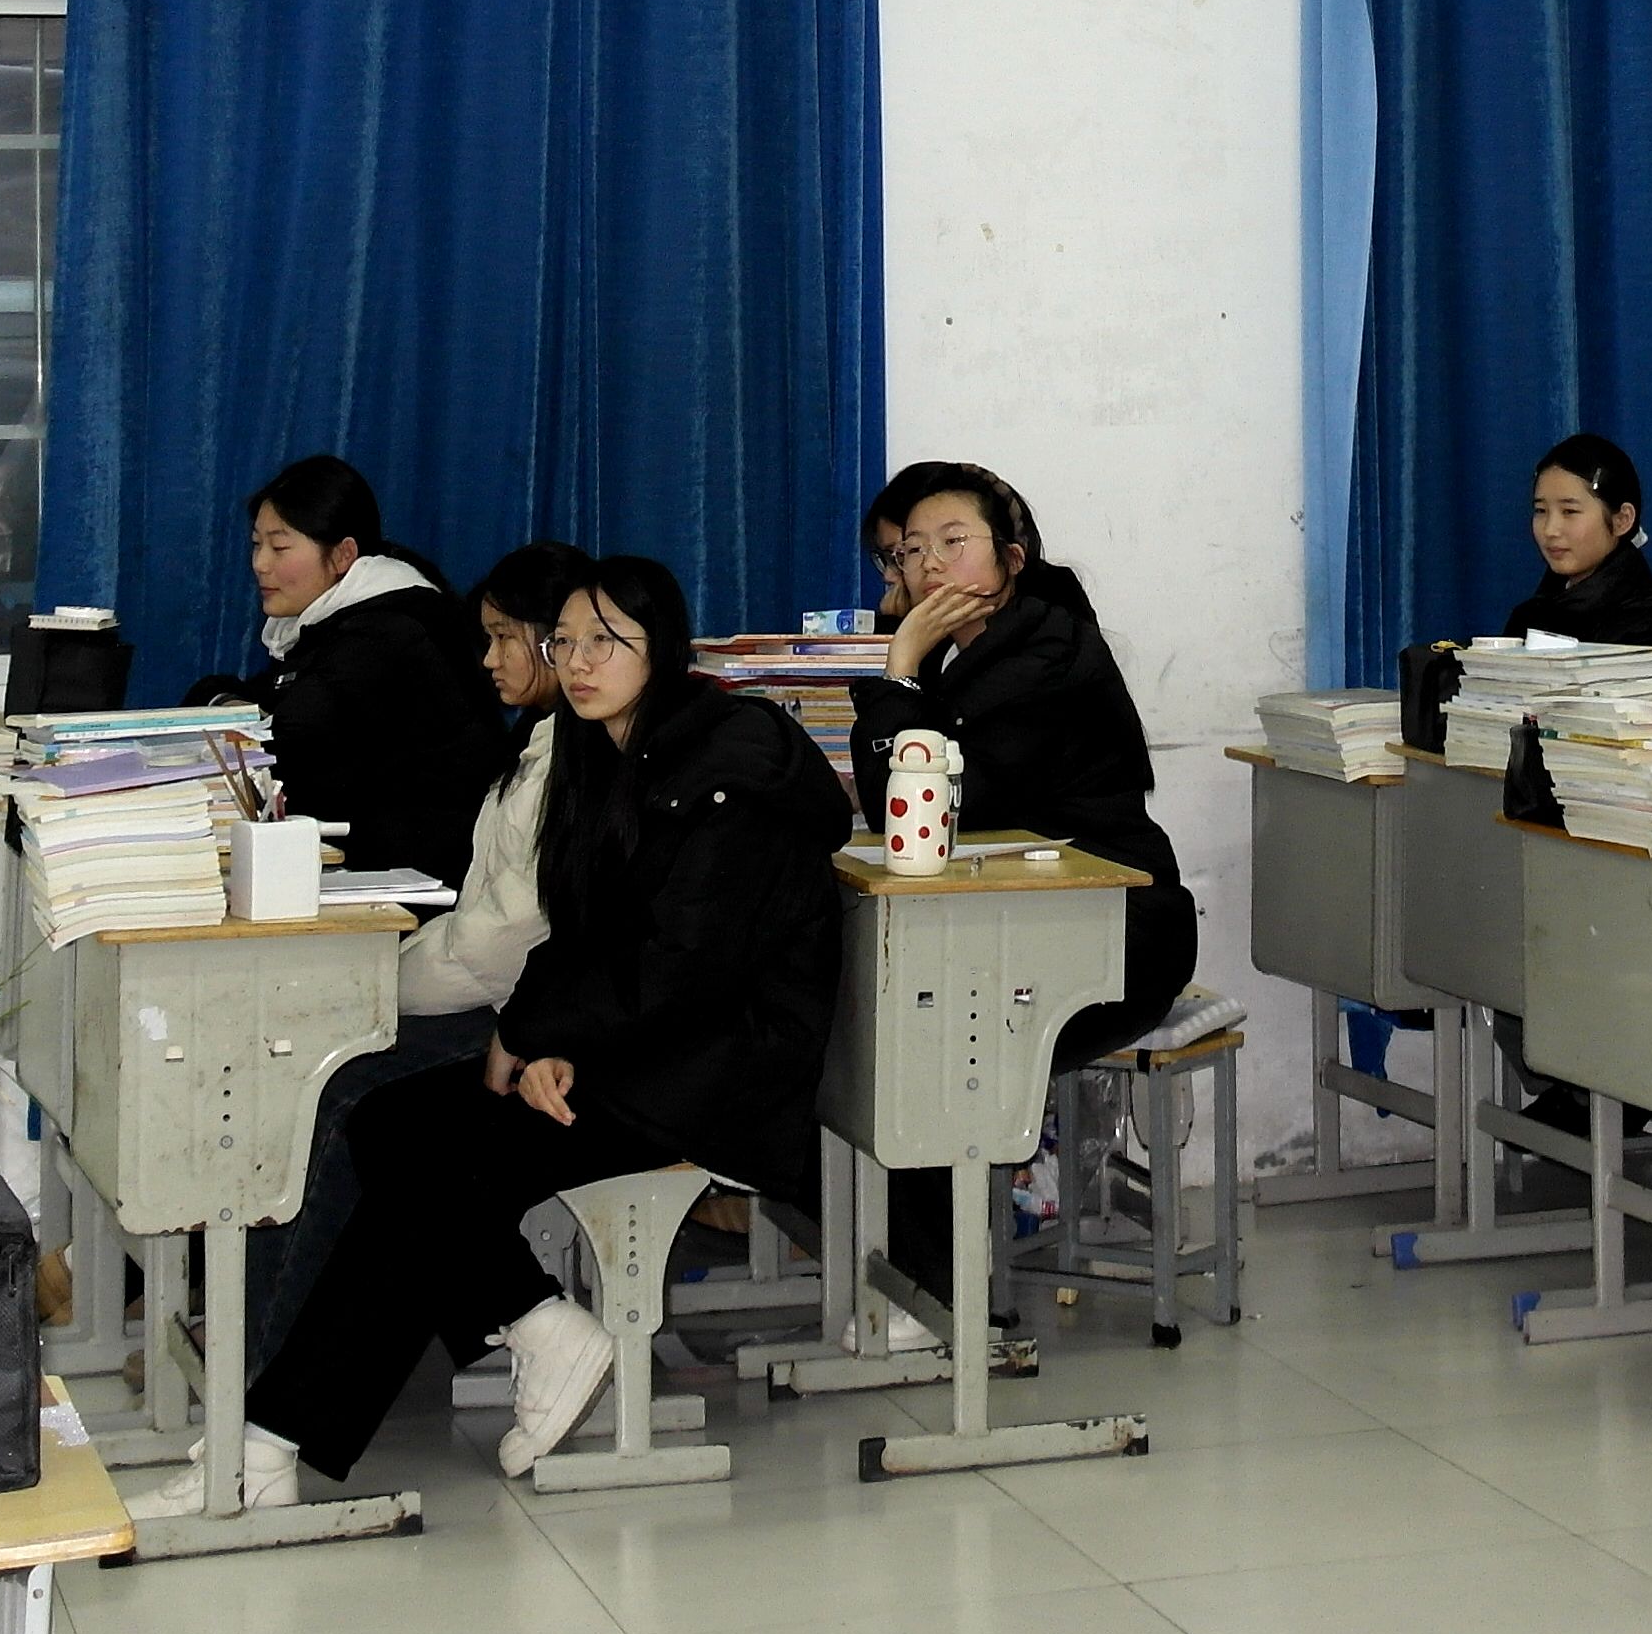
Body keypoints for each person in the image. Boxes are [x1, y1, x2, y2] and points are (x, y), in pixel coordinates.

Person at [242, 555, 847, 1491]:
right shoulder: (601, 752)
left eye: (606, 641)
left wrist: (542, 1039)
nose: (579, 662)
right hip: (635, 1051)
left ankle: (275, 1441)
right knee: (391, 1124)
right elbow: (577, 931)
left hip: (718, 1073)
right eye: (565, 642)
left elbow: (681, 967)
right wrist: (538, 1038)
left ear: (662, 649)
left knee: (432, 1162)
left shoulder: (727, 766)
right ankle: (530, 1325)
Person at [251, 540, 591, 1338]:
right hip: (501, 997)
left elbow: (501, 943)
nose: (488, 660)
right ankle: (256, 1329)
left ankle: (268, 1354)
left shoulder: (573, 759)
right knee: (304, 1066)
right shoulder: (538, 741)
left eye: (504, 638)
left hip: (519, 1016)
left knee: (337, 1087)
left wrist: (379, 992)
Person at [848, 462, 1191, 1066]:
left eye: (953, 542)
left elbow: (905, 811)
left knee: (899, 1030)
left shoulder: (1045, 652)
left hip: (1112, 925)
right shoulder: (957, 654)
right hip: (1025, 909)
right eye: (912, 551)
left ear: (1011, 558)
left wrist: (900, 666)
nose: (929, 564)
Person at [228, 456, 502, 883]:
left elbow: (287, 738)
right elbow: (259, 700)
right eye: (256, 544)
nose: (260, 564)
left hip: (419, 882)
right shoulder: (327, 624)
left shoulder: (385, 633)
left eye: (279, 548)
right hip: (373, 858)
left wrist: (236, 715)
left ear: (343, 554)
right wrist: (227, 704)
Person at [1505, 429, 1652, 664]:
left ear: (1622, 520)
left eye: (1569, 511)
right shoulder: (1528, 617)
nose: (1550, 530)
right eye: (1540, 510)